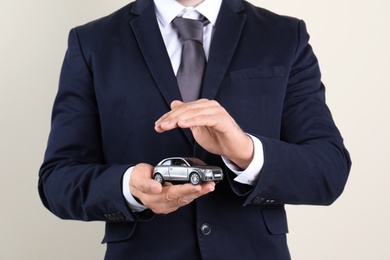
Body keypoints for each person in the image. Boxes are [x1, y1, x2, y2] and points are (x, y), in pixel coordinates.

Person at [38, 0, 351, 259]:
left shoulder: (283, 36)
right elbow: (57, 180)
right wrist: (128, 188)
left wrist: (245, 152)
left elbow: (329, 169)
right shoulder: (93, 42)